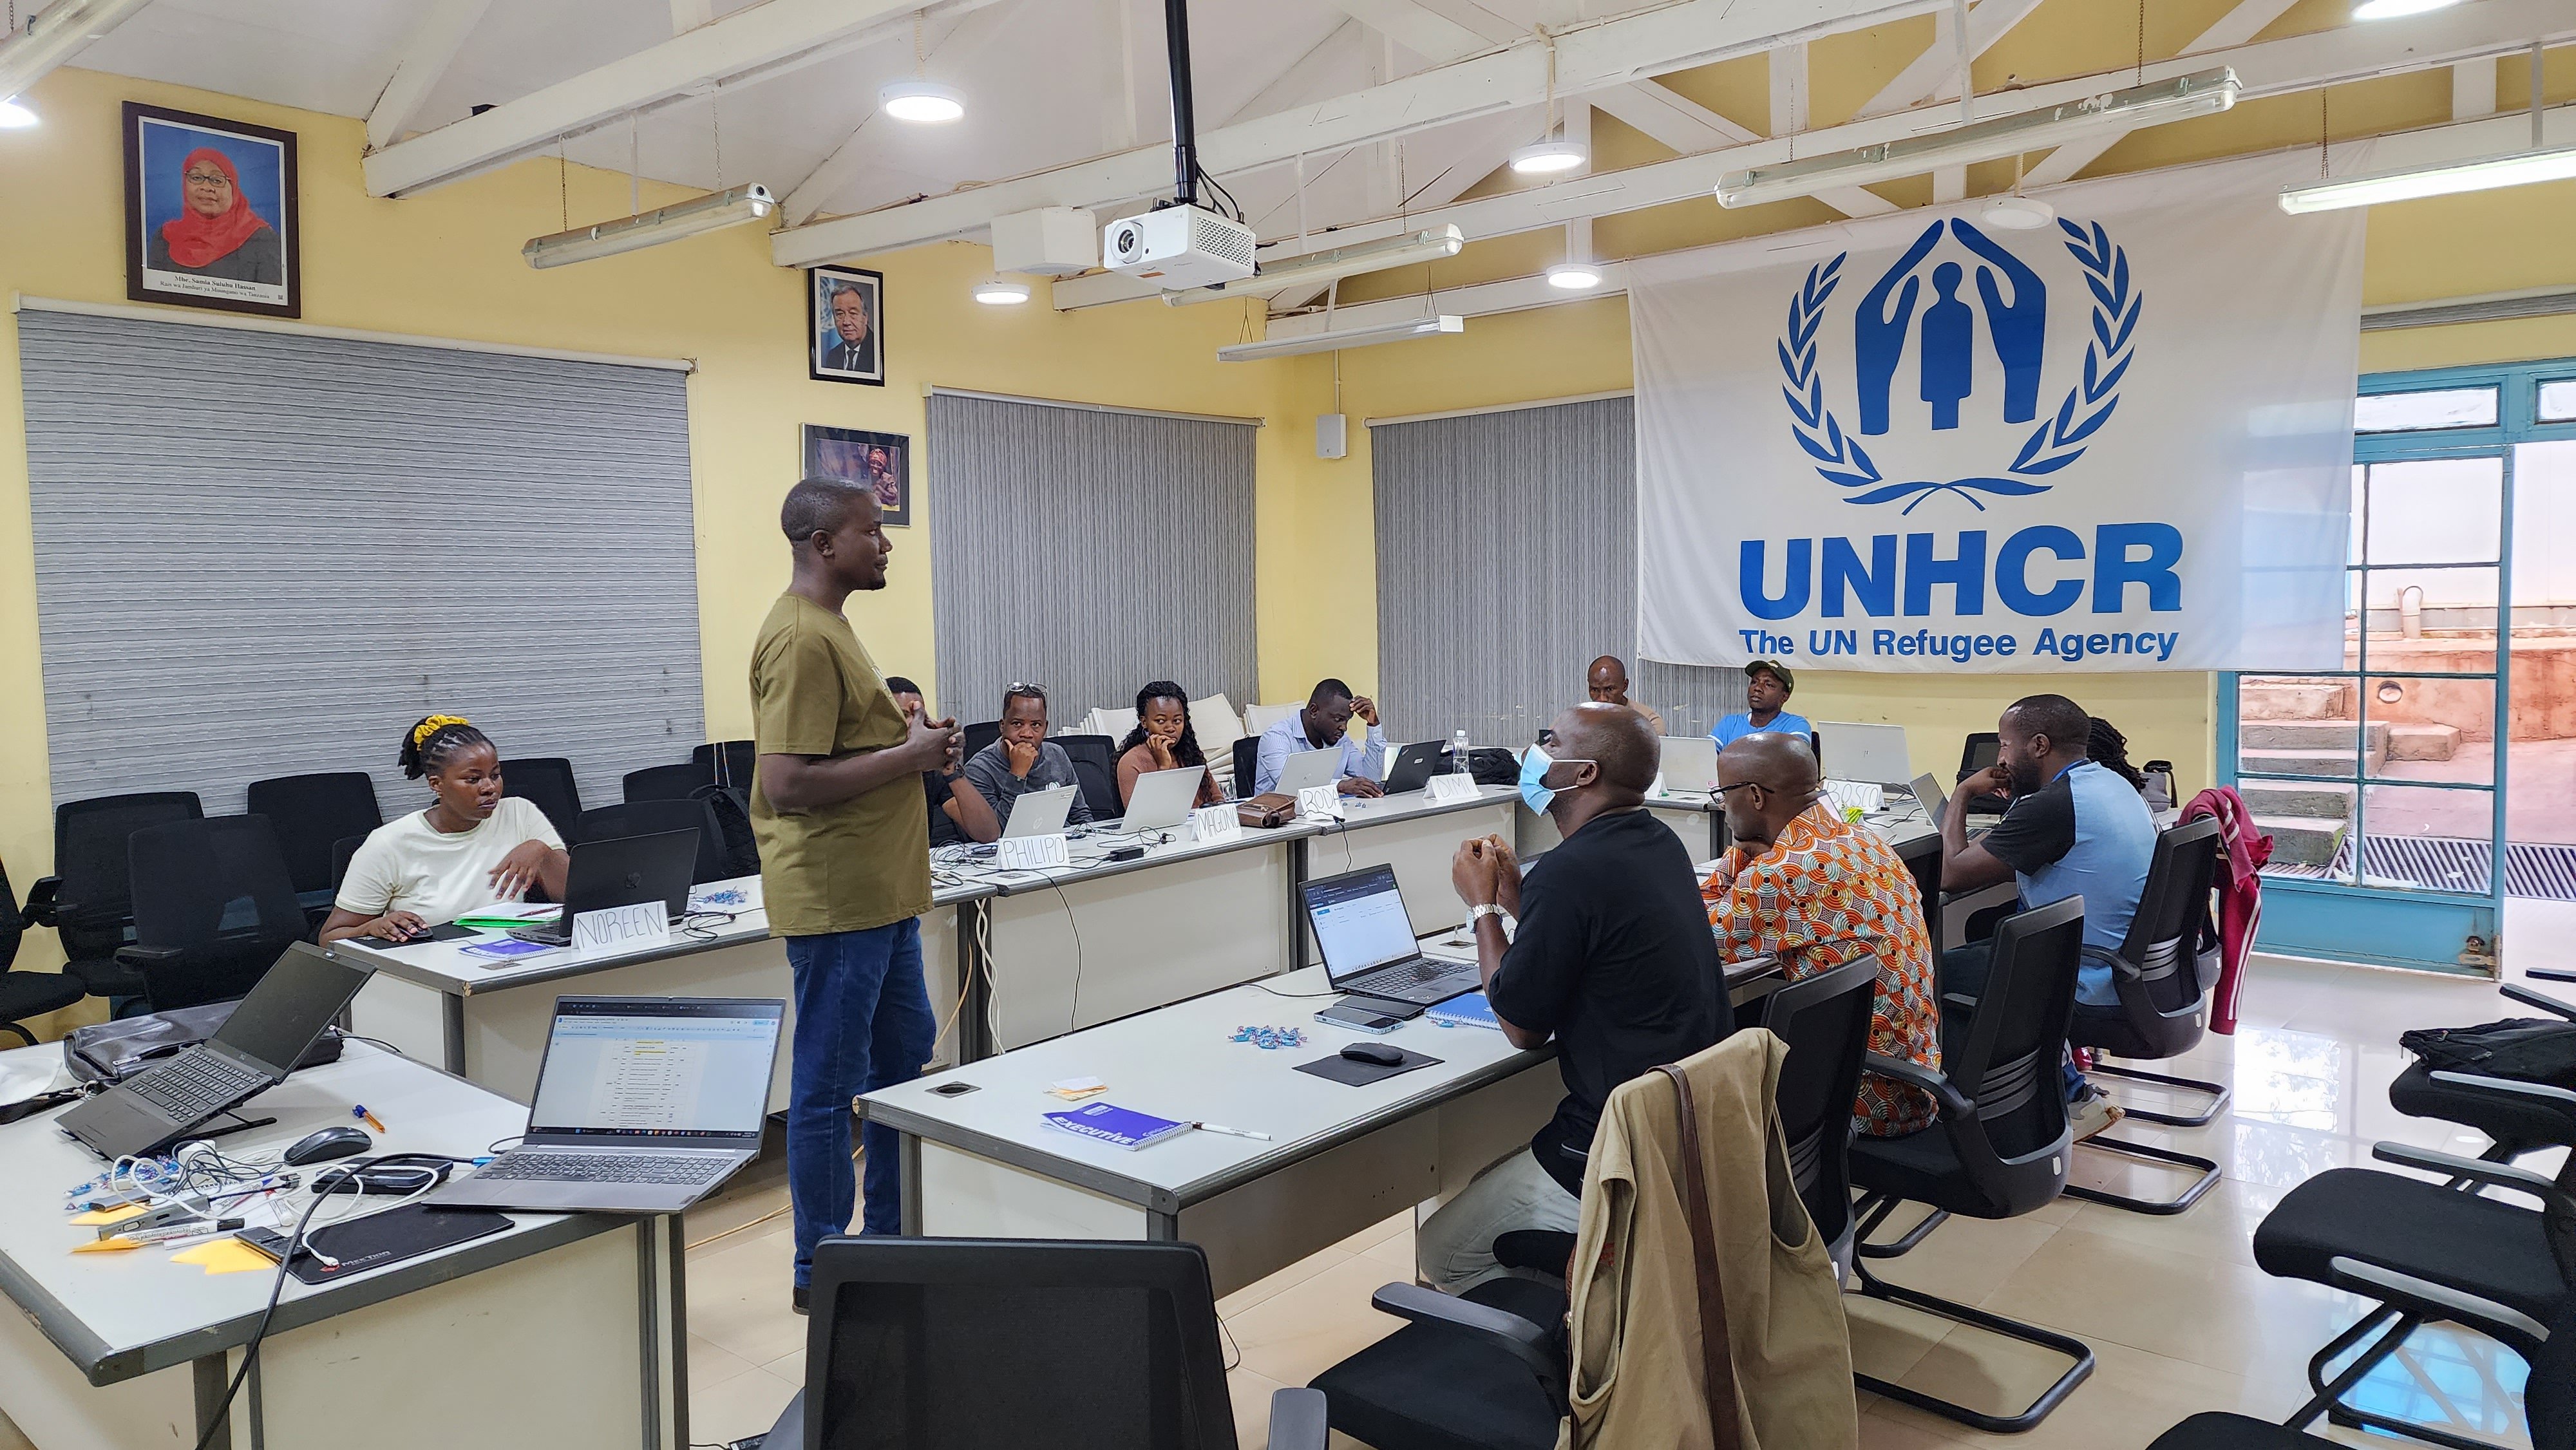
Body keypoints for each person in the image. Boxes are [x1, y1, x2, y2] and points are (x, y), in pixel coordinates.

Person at [1421, 702, 1725, 1290]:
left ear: (1585, 773)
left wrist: (1482, 908)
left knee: (1441, 1251)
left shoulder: (1570, 871)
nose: (1537, 754)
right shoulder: (1658, 842)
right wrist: (1519, 900)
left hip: (1614, 1144)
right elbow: (1592, 942)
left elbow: (1521, 1025)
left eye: (1552, 743)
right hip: (1679, 1129)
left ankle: (1590, 1314)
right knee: (1483, 1180)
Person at [750, 477, 961, 1312]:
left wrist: (915, 746)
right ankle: (824, 1265)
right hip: (840, 903)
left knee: (901, 1063)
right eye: (872, 530)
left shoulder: (832, 627)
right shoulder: (802, 638)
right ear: (824, 544)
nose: (886, 544)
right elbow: (787, 782)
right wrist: (909, 758)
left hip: (882, 897)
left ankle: (892, 1237)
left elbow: (847, 751)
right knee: (828, 1087)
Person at [1700, 732, 1942, 1137]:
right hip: (1911, 1076)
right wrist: (1750, 849)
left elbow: (1701, 939)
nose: (1722, 805)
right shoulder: (1865, 840)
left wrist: (1741, 851)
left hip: (1858, 1098)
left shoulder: (1783, 872)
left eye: (1724, 794)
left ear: (1756, 797)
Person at [1937, 693, 2155, 1139]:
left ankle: (2004, 1113)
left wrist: (1962, 793)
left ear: (2038, 745)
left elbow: (1950, 874)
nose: (2000, 758)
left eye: (2004, 745)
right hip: (2127, 961)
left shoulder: (2055, 805)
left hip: (2085, 971)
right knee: (1986, 931)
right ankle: (2066, 1087)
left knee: (1932, 976)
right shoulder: (2109, 782)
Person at [322, 716, 567, 945]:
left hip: (508, 953)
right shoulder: (388, 843)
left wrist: (541, 848)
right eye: (473, 780)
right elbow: (329, 938)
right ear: (437, 784)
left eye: (495, 775)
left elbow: (570, 896)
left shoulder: (519, 813)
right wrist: (371, 927)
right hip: (427, 961)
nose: (489, 788)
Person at [887, 675, 1001, 846]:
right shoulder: (864, 766)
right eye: (903, 715)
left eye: (919, 717)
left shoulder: (928, 771)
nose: (912, 723)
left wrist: (949, 766)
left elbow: (988, 833)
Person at [963, 684, 1095, 827]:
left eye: (1036, 725)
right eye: (1017, 724)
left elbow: (1080, 815)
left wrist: (1090, 836)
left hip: (1060, 839)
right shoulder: (979, 769)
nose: (1027, 734)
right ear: (1002, 726)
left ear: (1045, 727)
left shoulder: (1057, 755)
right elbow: (995, 831)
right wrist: (1017, 775)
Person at [146, 147, 283, 283]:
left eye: (217, 180)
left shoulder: (262, 239)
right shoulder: (166, 237)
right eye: (196, 178)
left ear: (234, 189)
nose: (206, 187)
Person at [1251, 678, 1386, 797]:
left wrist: (1373, 724)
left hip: (1327, 816)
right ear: (1314, 711)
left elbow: (1371, 780)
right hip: (1276, 816)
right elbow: (1289, 786)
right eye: (1338, 719)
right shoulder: (1277, 737)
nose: (1344, 728)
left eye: (1347, 720)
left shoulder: (1341, 740)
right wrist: (1340, 786)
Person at [1115, 681, 1224, 809]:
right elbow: (1140, 815)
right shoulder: (1131, 762)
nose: (1170, 728)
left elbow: (1218, 800)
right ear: (1144, 722)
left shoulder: (1190, 753)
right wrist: (1163, 767)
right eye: (1160, 721)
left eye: (1177, 721)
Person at [1710, 659, 1814, 747]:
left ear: (1784, 697)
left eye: (1769, 685)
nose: (1757, 688)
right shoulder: (1730, 723)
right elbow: (1706, 756)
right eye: (1754, 682)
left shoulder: (1795, 725)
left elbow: (1796, 756)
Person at [1585, 655, 1665, 735]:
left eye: (1609, 689)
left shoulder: (1649, 723)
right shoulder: (1582, 720)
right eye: (1595, 690)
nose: (1602, 699)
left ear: (1625, 685)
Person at [823, 284, 876, 375]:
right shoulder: (833, 356)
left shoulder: (878, 351)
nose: (846, 322)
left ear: (865, 318)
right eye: (840, 314)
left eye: (853, 313)